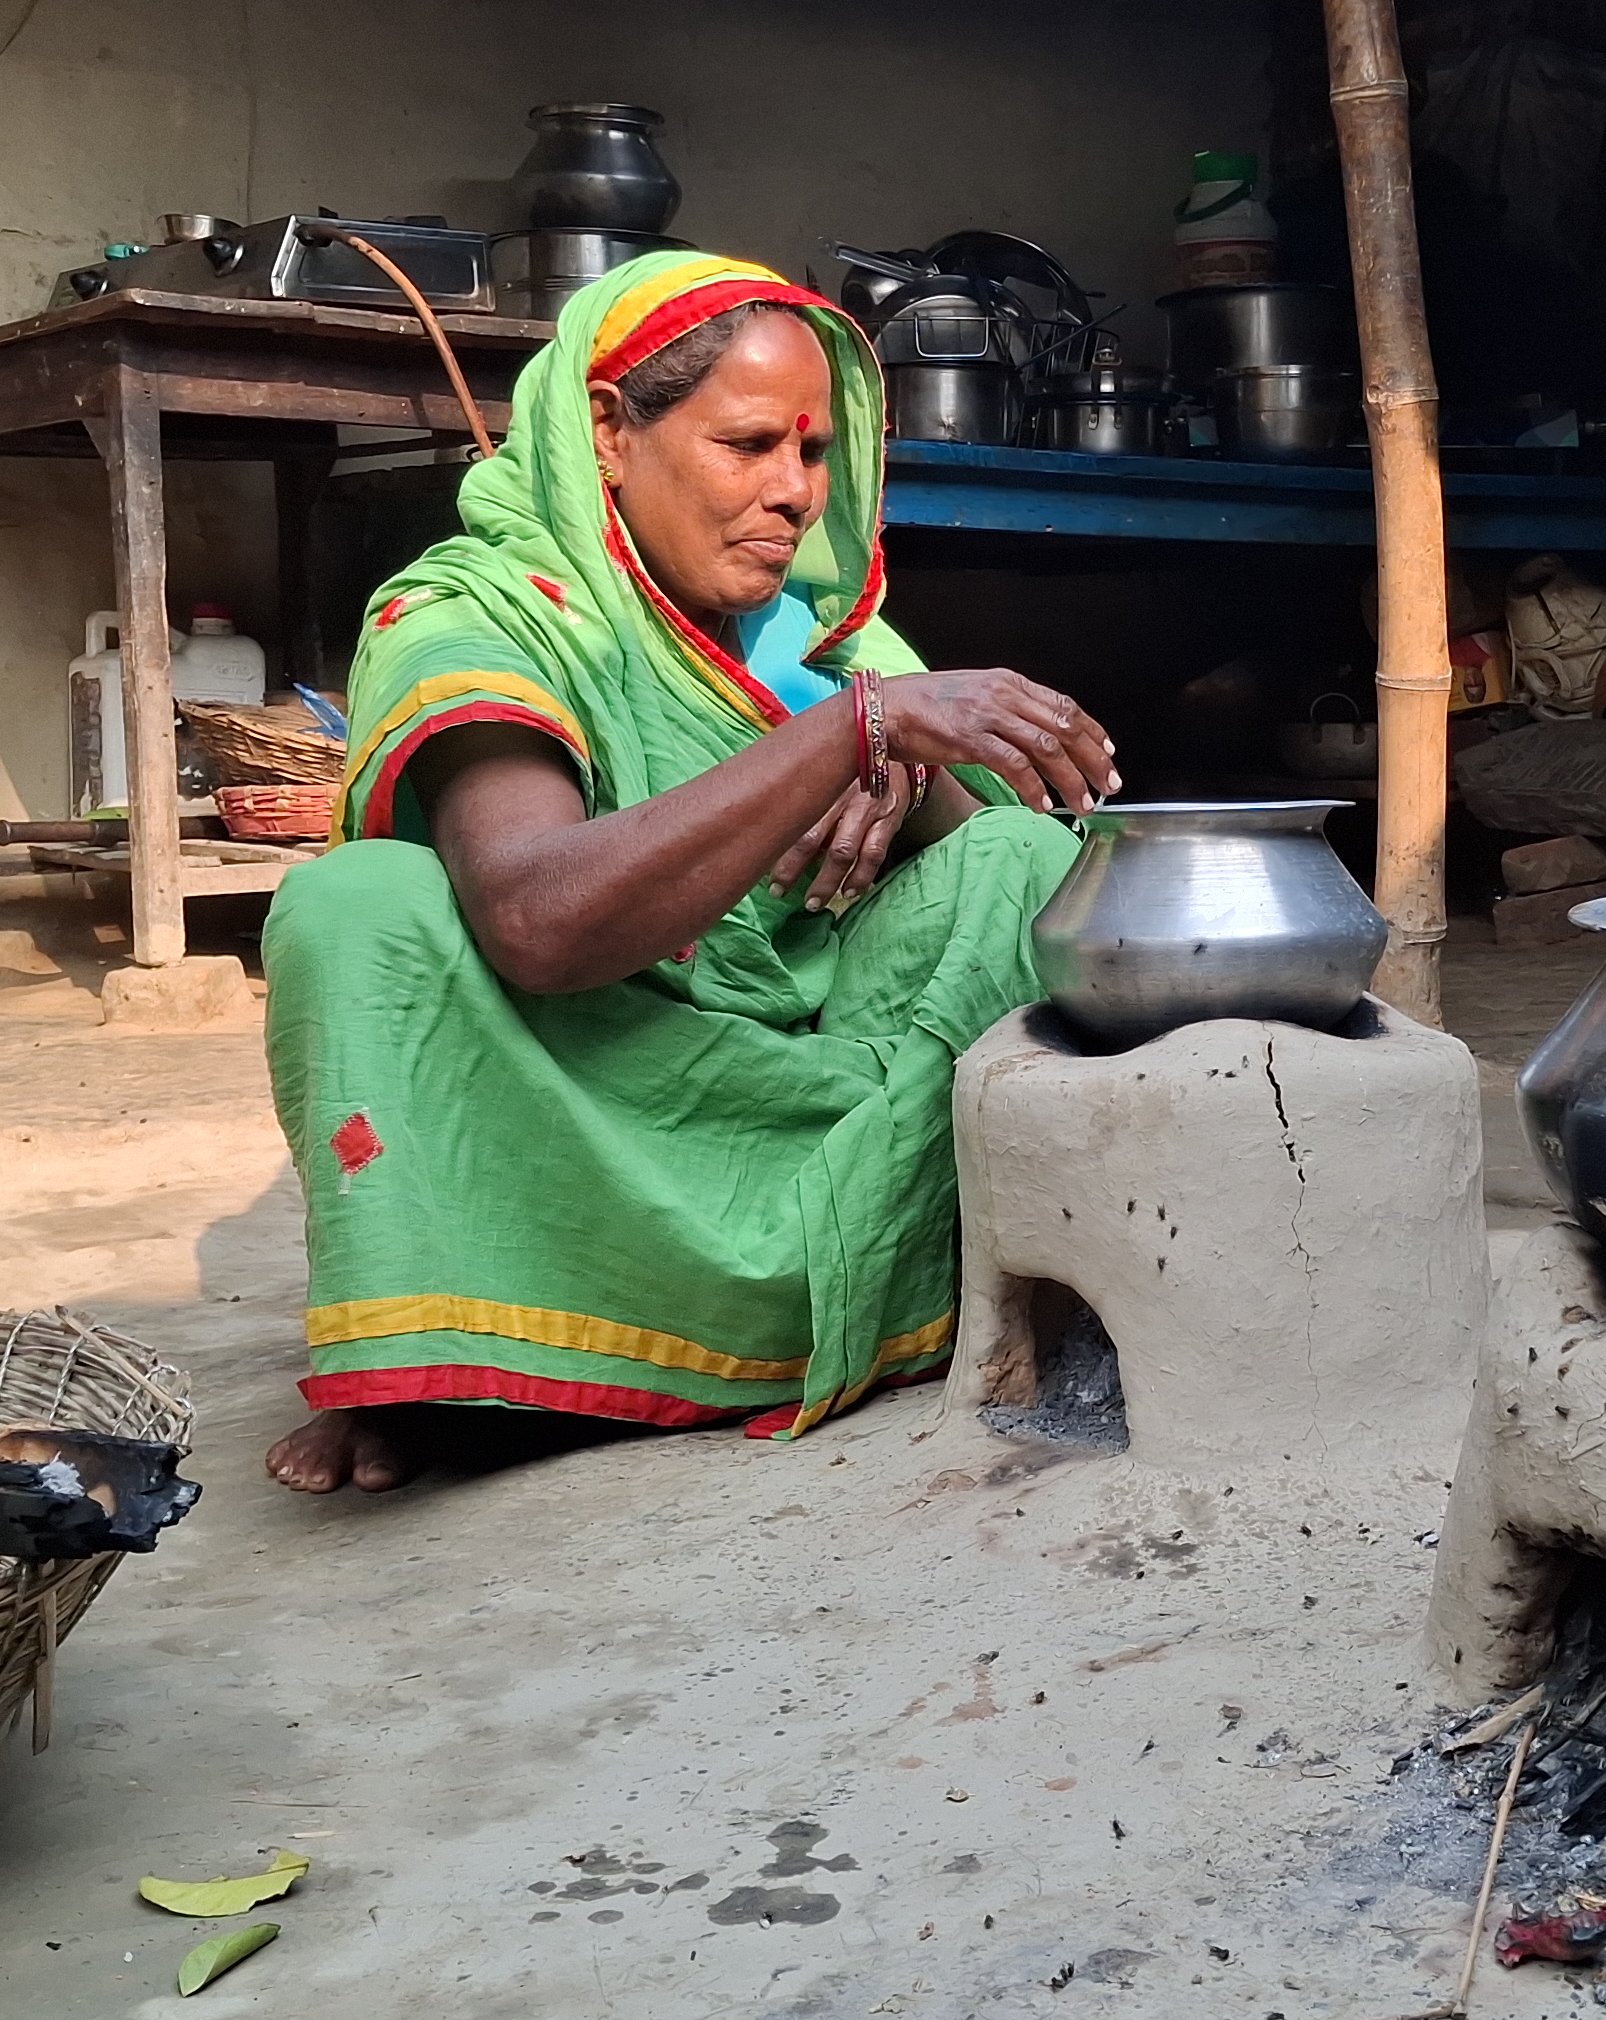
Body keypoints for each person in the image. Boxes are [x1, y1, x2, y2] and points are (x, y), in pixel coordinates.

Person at [261, 252, 1119, 1493]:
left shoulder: (826, 628)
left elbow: (982, 848)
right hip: (590, 1072)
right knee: (354, 908)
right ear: (609, 432)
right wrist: (841, 736)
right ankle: (475, 1341)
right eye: (748, 443)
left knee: (1028, 862)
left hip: (811, 1087)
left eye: (814, 454)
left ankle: (793, 1304)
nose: (792, 494)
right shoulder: (477, 616)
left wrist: (902, 774)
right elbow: (535, 922)